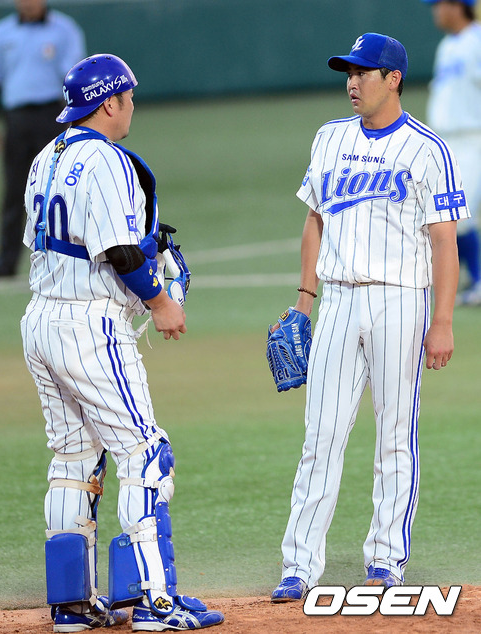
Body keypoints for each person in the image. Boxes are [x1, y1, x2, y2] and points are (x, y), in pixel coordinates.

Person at [20, 53, 224, 632]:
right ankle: (157, 603)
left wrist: (146, 256)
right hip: (89, 327)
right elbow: (118, 251)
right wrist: (161, 302)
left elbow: (65, 240)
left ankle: (71, 607)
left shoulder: (45, 156)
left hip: (41, 321)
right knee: (145, 454)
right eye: (129, 98)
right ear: (109, 102)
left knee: (74, 459)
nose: (132, 107)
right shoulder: (107, 159)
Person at [270, 32, 469, 602]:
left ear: (393, 79)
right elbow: (315, 221)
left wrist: (442, 321)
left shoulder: (427, 149)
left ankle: (385, 561)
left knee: (395, 437)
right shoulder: (329, 137)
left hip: (401, 301)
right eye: (348, 73)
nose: (352, 83)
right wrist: (304, 300)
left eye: (363, 72)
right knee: (320, 436)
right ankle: (299, 566)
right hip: (337, 300)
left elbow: (444, 242)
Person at [0, 0, 86, 281]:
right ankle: (5, 264)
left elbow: (74, 79)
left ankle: (70, 261)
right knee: (14, 190)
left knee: (62, 188)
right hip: (15, 119)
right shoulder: (1, 32)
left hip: (53, 116)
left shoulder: (65, 29)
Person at [422, 0, 481, 305]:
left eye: (439, 4)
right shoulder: (446, 46)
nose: (435, 10)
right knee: (443, 213)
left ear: (458, 6)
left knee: (459, 215)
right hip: (445, 143)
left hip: (472, 140)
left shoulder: (477, 40)